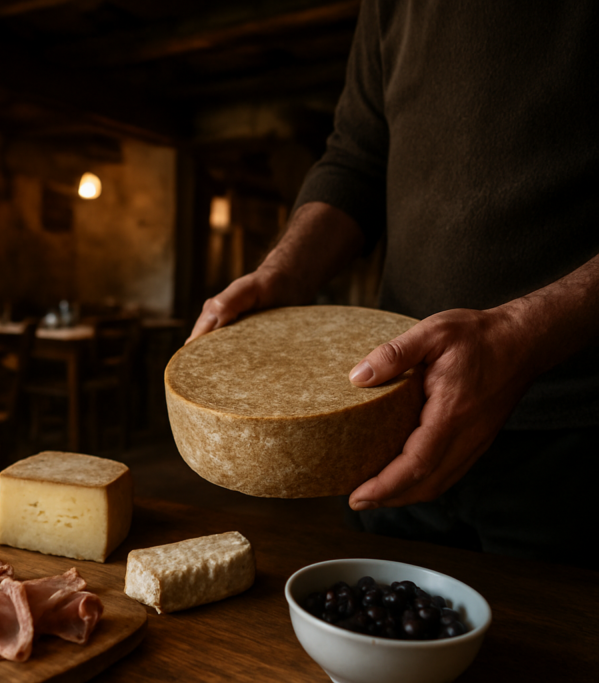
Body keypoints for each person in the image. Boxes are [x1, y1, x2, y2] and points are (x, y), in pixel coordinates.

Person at [188, 1, 599, 568]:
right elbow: (356, 158)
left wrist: (521, 335)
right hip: (388, 415)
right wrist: (284, 269)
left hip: (575, 435)